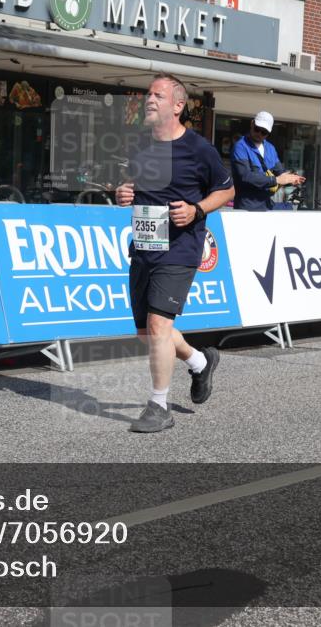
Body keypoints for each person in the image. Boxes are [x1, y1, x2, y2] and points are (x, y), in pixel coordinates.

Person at [115, 73, 235, 433]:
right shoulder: (139, 145)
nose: (149, 100)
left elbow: (227, 191)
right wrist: (123, 193)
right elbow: (134, 187)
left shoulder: (199, 149)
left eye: (158, 95)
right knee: (147, 334)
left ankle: (158, 405)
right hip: (144, 247)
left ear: (178, 106)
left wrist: (197, 210)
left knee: (158, 325)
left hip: (180, 248)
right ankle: (200, 361)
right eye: (148, 94)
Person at [231, 111, 305, 210]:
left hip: (266, 204)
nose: (259, 134)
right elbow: (246, 176)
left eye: (264, 132)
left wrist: (291, 179)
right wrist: (276, 180)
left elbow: (280, 173)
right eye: (257, 129)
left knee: (290, 209)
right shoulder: (240, 146)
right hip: (247, 206)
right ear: (252, 123)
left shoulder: (270, 148)